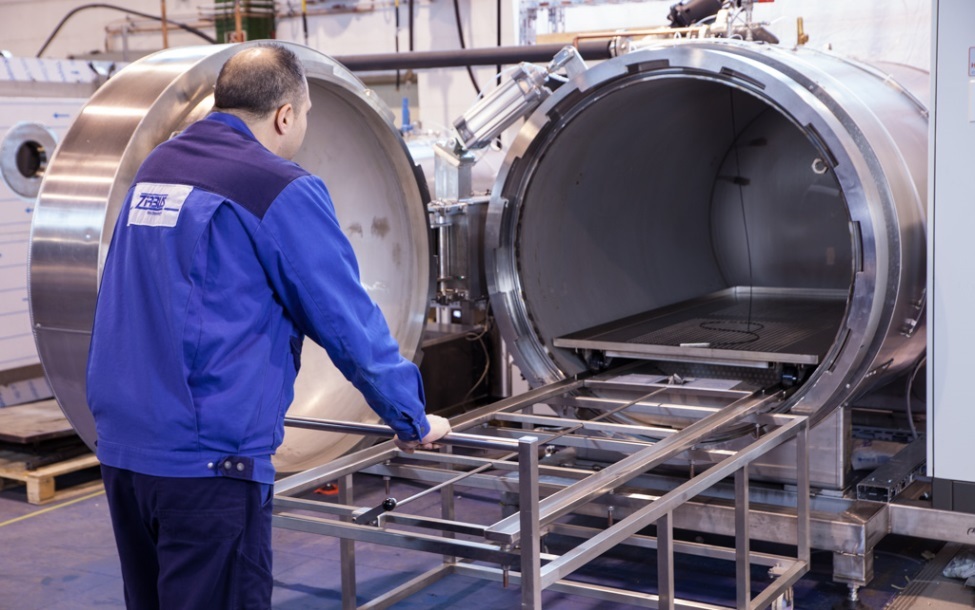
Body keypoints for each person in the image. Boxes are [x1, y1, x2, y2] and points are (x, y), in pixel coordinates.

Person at [86, 43, 451, 610]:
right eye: (305, 116)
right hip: (210, 462)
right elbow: (343, 316)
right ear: (285, 114)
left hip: (126, 451)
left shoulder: (155, 171)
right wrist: (409, 415)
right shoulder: (278, 187)